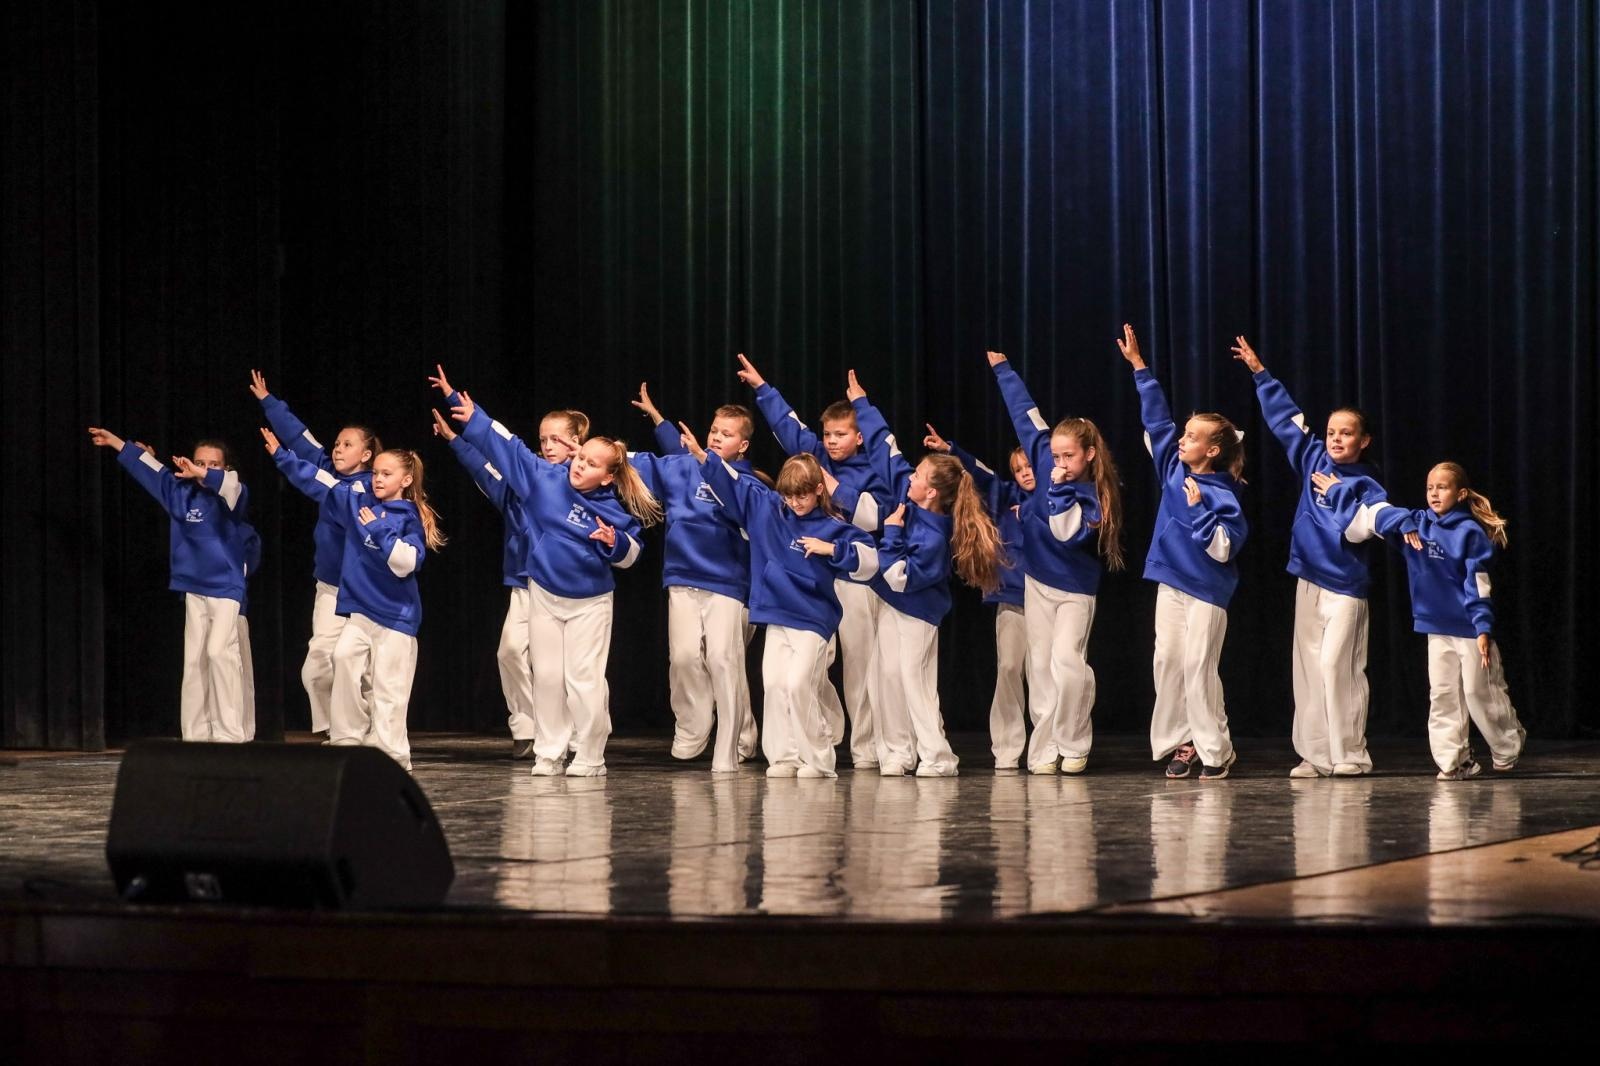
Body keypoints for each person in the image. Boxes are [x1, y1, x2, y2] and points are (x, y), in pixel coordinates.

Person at [441, 366, 661, 777]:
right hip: (543, 593)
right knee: (546, 676)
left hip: (590, 603)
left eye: (591, 464)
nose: (580, 466)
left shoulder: (612, 509)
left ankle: (590, 755)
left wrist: (613, 541)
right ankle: (549, 751)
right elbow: (506, 447)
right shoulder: (543, 479)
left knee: (583, 679)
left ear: (608, 477)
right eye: (580, 458)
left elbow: (632, 554)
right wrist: (469, 414)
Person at [678, 422, 879, 778]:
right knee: (773, 685)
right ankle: (784, 757)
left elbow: (870, 559)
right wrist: (701, 456)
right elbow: (734, 485)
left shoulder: (833, 526)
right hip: (776, 614)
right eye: (789, 496)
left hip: (812, 619)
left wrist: (832, 549)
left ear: (819, 490)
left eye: (802, 496)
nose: (794, 503)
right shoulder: (769, 510)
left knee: (799, 684)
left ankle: (818, 760)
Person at [1232, 336, 1388, 778]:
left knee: (1339, 667)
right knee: (1308, 668)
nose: (1337, 438)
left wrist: (1339, 494)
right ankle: (1315, 754)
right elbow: (1287, 420)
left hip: (1346, 587)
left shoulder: (1368, 484)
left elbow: (1363, 528)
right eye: (1332, 431)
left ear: (1364, 440)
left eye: (1347, 433)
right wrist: (1260, 373)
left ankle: (1350, 754)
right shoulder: (1314, 457)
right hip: (1308, 579)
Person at [1321, 462, 1525, 780]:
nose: (1434, 493)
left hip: (1469, 629)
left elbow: (1478, 583)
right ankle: (1454, 760)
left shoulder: (1469, 533)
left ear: (1461, 494)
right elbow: (1377, 515)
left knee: (1478, 690)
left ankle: (1507, 745)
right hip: (1435, 627)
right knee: (1443, 693)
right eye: (1430, 487)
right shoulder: (1417, 525)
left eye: (1442, 487)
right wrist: (1339, 491)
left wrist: (1483, 628)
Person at [737, 353, 892, 769]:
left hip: (852, 579)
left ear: (859, 437)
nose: (831, 441)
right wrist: (762, 388)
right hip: (810, 580)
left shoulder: (872, 471)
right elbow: (788, 427)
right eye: (827, 434)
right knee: (808, 669)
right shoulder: (815, 456)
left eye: (841, 434)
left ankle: (864, 747)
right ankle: (814, 735)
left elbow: (875, 518)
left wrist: (833, 486)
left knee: (859, 664)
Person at [849, 371, 1003, 777]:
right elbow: (887, 452)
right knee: (885, 678)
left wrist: (892, 533)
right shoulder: (912, 497)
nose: (910, 477)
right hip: (892, 605)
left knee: (913, 682)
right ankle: (897, 753)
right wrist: (862, 404)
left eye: (917, 476)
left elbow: (901, 577)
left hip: (916, 613)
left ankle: (937, 757)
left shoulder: (934, 535)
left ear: (931, 492)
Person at [1118, 324, 1249, 780]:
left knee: (1198, 666)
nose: (1182, 439)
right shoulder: (1173, 468)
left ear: (1211, 450)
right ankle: (1183, 741)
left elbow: (1224, 549)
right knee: (1168, 662)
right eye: (1186, 433)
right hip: (1170, 581)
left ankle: (1216, 750)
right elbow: (1157, 421)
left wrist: (1199, 512)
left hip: (1207, 591)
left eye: (1192, 437)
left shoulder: (1223, 494)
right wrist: (1139, 367)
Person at [985, 351, 1125, 775]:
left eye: (1069, 457)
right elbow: (1024, 413)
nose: (1059, 463)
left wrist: (1059, 487)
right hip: (1037, 582)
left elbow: (1065, 532)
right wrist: (1003, 370)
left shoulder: (1095, 495)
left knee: (1067, 661)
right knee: (1040, 665)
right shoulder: (1046, 457)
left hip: (1074, 591)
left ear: (1089, 455)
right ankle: (1044, 748)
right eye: (1056, 455)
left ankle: (1074, 742)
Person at [88, 427, 250, 742]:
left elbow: (230, 484)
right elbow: (151, 470)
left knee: (219, 652)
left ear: (225, 467)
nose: (203, 468)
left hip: (226, 585)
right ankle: (195, 735)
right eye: (199, 462)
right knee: (194, 661)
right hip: (193, 586)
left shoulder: (232, 494)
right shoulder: (180, 493)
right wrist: (116, 442)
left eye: (212, 464)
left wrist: (203, 474)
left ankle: (230, 733)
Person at [629, 383, 760, 772]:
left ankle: (738, 737)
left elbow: (740, 509)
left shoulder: (747, 482)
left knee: (723, 659)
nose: (717, 437)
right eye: (714, 430)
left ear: (743, 445)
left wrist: (705, 461)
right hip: (682, 577)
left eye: (727, 434)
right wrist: (591, 451)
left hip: (727, 584)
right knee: (684, 656)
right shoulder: (683, 465)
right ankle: (693, 726)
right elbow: (644, 461)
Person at [248, 370, 378, 736]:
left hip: (365, 591)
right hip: (331, 588)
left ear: (366, 454)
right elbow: (301, 438)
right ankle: (338, 729)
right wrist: (269, 402)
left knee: (360, 667)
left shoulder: (367, 487)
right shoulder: (330, 470)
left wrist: (282, 458)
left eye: (347, 444)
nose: (338, 448)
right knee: (317, 667)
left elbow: (320, 483)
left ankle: (364, 732)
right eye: (337, 443)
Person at [322, 449, 445, 770]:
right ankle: (347, 739)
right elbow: (320, 480)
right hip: (361, 611)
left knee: (389, 687)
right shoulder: (364, 506)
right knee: (343, 658)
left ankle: (393, 756)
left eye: (386, 474)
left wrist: (381, 531)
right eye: (375, 472)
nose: (377, 479)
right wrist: (285, 456)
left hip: (395, 616)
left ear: (405, 480)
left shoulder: (408, 517)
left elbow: (406, 563)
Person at [927, 427, 1032, 770]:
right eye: (1018, 469)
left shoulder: (1057, 498)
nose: (1025, 473)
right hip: (1013, 598)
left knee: (1046, 673)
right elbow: (981, 473)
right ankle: (1007, 747)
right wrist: (951, 450)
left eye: (1030, 466)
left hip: (1052, 598)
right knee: (1009, 667)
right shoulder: (1006, 496)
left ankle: (1048, 747)